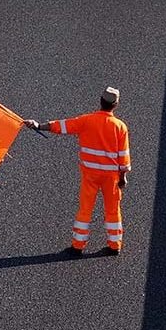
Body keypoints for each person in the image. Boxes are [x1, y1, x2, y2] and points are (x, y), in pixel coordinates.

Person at [24, 87, 131, 255]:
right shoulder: (120, 127)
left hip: (90, 174)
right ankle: (114, 245)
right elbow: (123, 156)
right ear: (115, 105)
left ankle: (78, 246)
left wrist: (38, 125)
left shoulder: (86, 120)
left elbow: (62, 126)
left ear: (100, 101)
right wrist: (123, 177)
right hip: (111, 177)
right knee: (112, 210)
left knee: (85, 209)